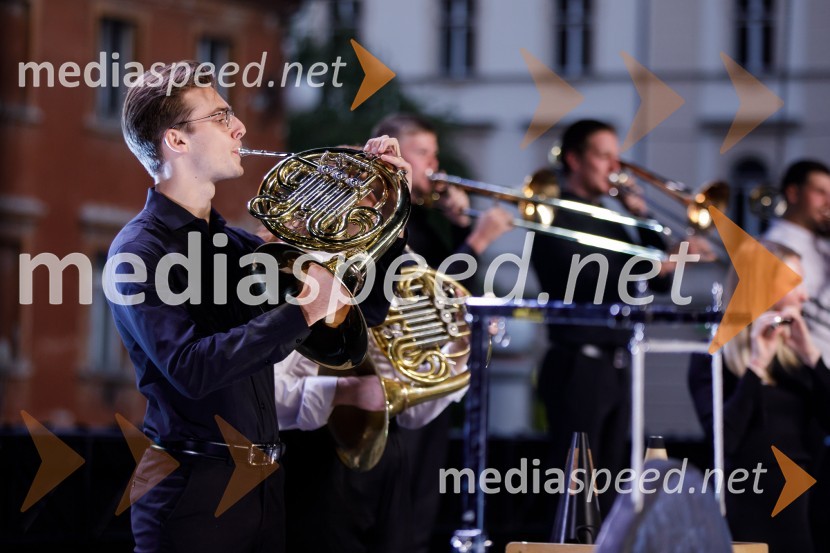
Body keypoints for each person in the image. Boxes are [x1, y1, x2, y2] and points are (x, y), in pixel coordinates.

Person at [107, 61, 406, 553]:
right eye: (221, 117)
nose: (240, 127)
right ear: (176, 141)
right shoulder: (138, 253)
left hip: (264, 484)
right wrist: (301, 311)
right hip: (192, 490)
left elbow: (361, 318)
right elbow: (191, 368)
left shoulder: (240, 247)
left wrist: (393, 208)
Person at [370, 113, 512, 552]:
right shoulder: (382, 217)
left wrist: (461, 226)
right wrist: (479, 241)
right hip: (393, 378)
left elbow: (450, 285)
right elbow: (416, 289)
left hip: (429, 377)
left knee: (423, 508)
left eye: (434, 152)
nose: (434, 163)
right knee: (398, 512)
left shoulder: (423, 219)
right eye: (423, 152)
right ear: (392, 152)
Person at [531, 119, 680, 519]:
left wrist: (641, 214)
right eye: (603, 155)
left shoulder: (612, 217)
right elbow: (573, 277)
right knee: (574, 489)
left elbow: (660, 280)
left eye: (616, 155)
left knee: (613, 486)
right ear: (575, 160)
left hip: (617, 363)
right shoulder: (551, 211)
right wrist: (648, 266)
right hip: (578, 362)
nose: (615, 166)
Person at [688, 241, 830, 553]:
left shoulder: (797, 360)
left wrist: (812, 358)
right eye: (796, 285)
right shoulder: (711, 360)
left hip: (802, 510)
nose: (804, 296)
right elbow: (722, 441)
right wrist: (755, 367)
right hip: (744, 507)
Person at [763, 160, 830, 361]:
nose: (828, 201)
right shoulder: (777, 244)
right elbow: (799, 306)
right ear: (793, 194)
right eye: (820, 192)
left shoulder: (820, 241)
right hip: (809, 362)